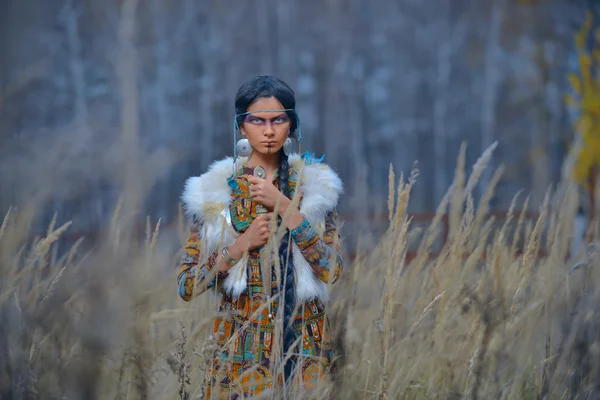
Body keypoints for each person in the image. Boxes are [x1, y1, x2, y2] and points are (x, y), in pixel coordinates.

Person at [177, 75, 344, 398]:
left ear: (292, 126)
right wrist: (239, 246)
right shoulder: (214, 193)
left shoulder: (315, 188)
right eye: (257, 120)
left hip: (305, 345)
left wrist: (284, 206)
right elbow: (187, 285)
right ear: (241, 127)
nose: (268, 131)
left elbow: (331, 269)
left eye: (278, 120)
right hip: (241, 353)